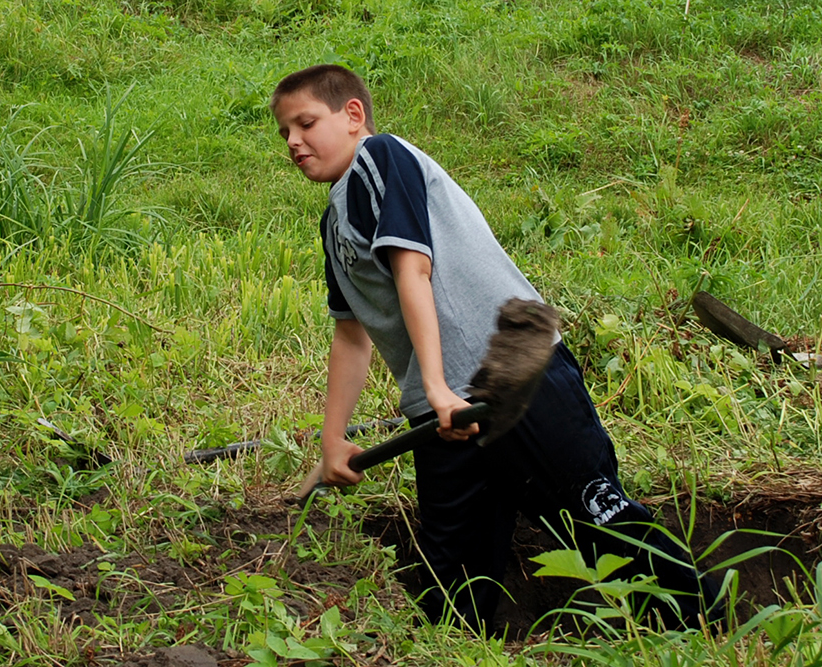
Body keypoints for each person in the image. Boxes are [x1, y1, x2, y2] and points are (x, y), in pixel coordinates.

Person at [271, 62, 710, 630]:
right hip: (442, 413)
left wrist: (437, 385)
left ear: (353, 115)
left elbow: (414, 268)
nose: (293, 142)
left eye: (305, 123)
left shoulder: (379, 160)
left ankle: (709, 624)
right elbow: (351, 333)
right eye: (284, 132)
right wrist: (333, 440)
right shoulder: (334, 221)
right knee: (451, 584)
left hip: (511, 372)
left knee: (598, 522)